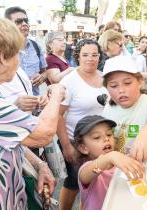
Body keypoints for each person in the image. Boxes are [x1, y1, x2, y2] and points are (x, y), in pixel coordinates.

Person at [0, 17, 65, 209]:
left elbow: (9, 137)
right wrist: (56, 93)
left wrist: (38, 164)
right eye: (18, 54)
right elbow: (43, 133)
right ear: (4, 56)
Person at [57, 39, 108, 210]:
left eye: (94, 55)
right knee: (73, 182)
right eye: (85, 55)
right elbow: (58, 115)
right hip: (75, 141)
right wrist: (66, 146)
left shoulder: (104, 77)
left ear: (99, 56)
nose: (90, 59)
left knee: (94, 180)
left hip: (99, 142)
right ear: (78, 56)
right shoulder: (69, 81)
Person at [75, 115, 144, 210]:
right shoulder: (94, 169)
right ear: (84, 148)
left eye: (109, 134)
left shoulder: (120, 162)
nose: (106, 139)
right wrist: (109, 157)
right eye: (96, 137)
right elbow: (87, 174)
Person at [5, 6, 47, 96]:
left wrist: (42, 77)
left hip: (35, 105)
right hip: (11, 107)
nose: (24, 24)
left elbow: (45, 71)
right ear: (8, 26)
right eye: (18, 21)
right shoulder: (0, 49)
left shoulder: (36, 46)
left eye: (26, 20)